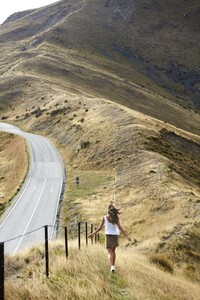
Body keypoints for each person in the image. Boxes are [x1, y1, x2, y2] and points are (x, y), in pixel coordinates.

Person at [88, 203, 131, 273]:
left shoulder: (104, 218)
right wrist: (127, 236)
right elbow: (120, 228)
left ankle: (112, 267)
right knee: (113, 252)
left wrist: (92, 234)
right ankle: (113, 266)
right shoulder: (116, 218)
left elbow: (99, 228)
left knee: (110, 253)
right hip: (115, 236)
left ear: (108, 210)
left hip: (108, 236)